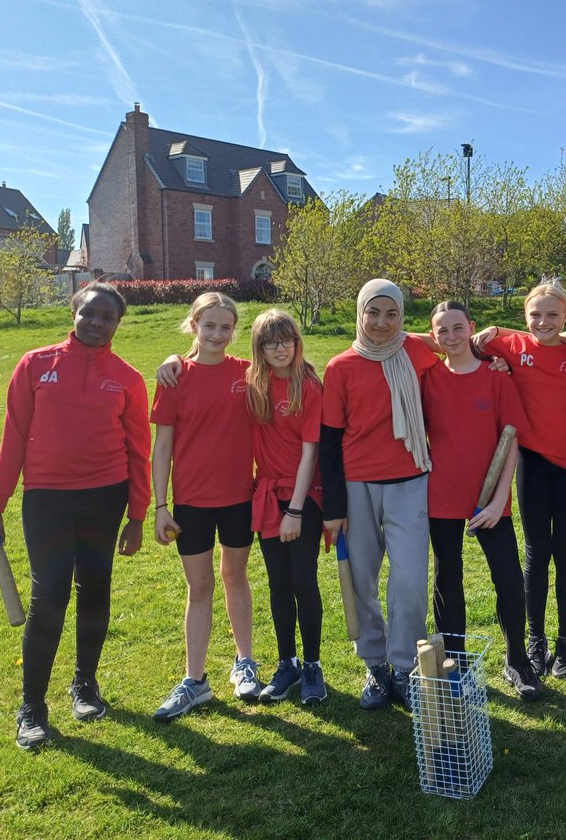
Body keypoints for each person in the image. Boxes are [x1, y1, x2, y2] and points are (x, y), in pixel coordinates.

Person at [0, 282, 150, 750]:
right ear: (74, 312)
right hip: (47, 499)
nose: (96, 323)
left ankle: (85, 684)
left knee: (95, 587)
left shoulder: (128, 378)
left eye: (107, 317)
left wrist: (137, 515)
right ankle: (32, 707)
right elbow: (13, 437)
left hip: (105, 497)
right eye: (88, 313)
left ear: (118, 323)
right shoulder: (35, 365)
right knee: (49, 596)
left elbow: (139, 451)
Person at [320, 279, 437, 710]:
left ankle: (404, 666)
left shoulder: (419, 353)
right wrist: (333, 508)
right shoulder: (341, 367)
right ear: (360, 313)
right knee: (362, 581)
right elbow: (329, 442)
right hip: (357, 488)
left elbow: (465, 343)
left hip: (410, 480)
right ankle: (375, 664)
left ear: (402, 315)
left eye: (391, 314)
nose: (383, 323)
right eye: (374, 313)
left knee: (408, 581)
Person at [472, 282, 566, 680]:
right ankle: (535, 640)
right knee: (537, 551)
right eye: (535, 315)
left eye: (552, 315)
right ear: (525, 317)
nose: (543, 322)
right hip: (533, 464)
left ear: (565, 316)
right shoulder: (512, 346)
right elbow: (451, 342)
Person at [421, 301, 540, 699]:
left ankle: (517, 662)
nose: (452, 337)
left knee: (507, 578)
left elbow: (512, 439)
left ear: (470, 327)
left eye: (458, 328)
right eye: (443, 332)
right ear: (435, 336)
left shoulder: (496, 377)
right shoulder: (429, 378)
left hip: (489, 498)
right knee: (447, 578)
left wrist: (498, 498)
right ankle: (453, 663)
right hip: (441, 496)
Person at [151, 293, 261, 721]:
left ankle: (245, 662)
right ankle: (195, 682)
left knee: (235, 577)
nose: (217, 334)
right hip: (191, 503)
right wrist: (161, 506)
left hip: (239, 499)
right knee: (199, 589)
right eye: (209, 325)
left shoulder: (247, 374)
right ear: (193, 324)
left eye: (226, 327)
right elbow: (162, 448)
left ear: (234, 331)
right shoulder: (174, 376)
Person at [246, 309, 328, 705]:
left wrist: (294, 510)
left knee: (303, 580)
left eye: (286, 340)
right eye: (270, 342)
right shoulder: (251, 383)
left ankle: (312, 665)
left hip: (303, 499)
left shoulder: (308, 385)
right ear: (259, 348)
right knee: (278, 583)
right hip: (266, 497)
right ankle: (287, 662)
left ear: (297, 342)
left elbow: (311, 451)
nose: (280, 348)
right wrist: (172, 362)